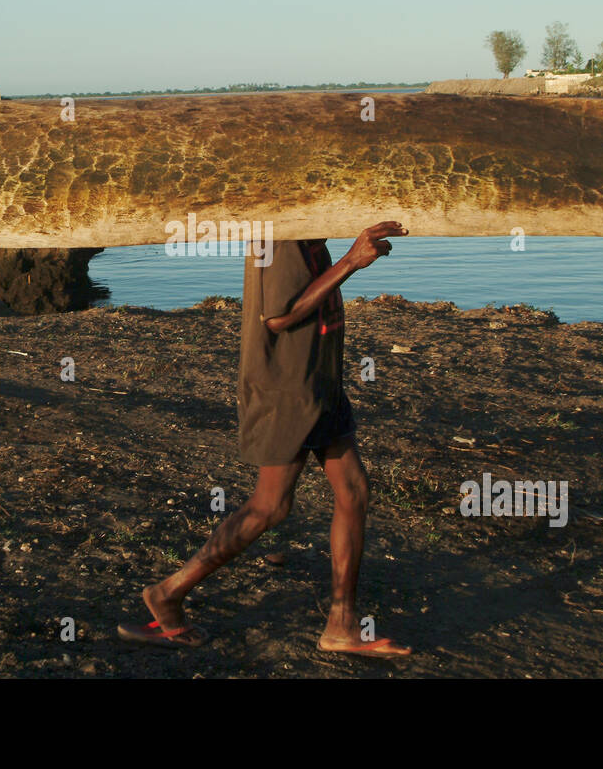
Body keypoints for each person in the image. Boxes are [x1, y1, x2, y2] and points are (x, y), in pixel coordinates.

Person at [119, 221, 411, 655]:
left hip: (320, 384)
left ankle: (341, 625)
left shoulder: (308, 235)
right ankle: (167, 592)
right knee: (270, 506)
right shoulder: (282, 236)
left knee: (353, 492)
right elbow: (279, 316)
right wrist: (352, 261)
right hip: (287, 393)